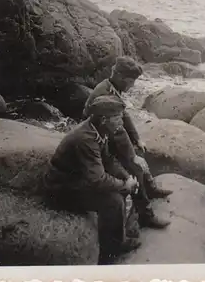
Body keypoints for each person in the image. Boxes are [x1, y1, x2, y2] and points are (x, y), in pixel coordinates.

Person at [42, 95, 165, 264]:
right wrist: (124, 185)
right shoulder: (86, 138)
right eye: (117, 118)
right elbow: (98, 180)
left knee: (119, 189)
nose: (121, 123)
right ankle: (112, 248)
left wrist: (126, 177)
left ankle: (117, 233)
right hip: (61, 188)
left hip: (77, 178)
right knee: (113, 201)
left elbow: (108, 160)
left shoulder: (99, 130)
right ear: (104, 119)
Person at [83, 56, 173, 199]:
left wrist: (137, 139)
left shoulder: (111, 87)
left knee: (139, 151)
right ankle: (145, 211)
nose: (132, 86)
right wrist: (132, 157)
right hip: (98, 138)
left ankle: (150, 188)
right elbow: (118, 132)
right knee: (136, 167)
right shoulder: (106, 93)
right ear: (119, 76)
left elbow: (124, 115)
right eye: (130, 82)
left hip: (107, 132)